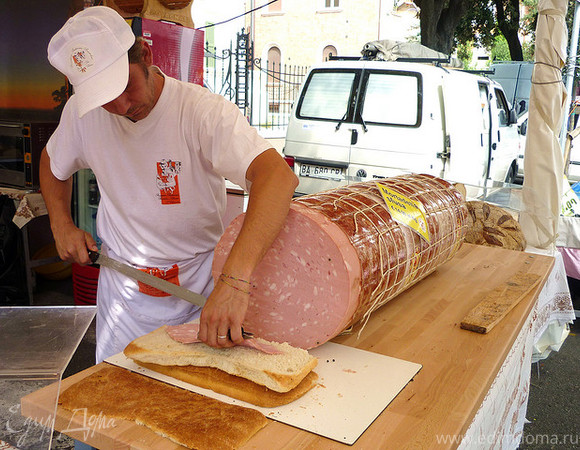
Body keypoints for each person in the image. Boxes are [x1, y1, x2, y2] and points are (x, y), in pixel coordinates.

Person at [40, 6, 298, 362]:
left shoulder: (201, 112)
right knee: (118, 402)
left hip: (200, 294)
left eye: (124, 85)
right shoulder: (81, 116)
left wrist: (235, 281)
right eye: (104, 98)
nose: (121, 105)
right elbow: (53, 164)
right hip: (124, 299)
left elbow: (276, 177)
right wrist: (61, 224)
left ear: (145, 54)